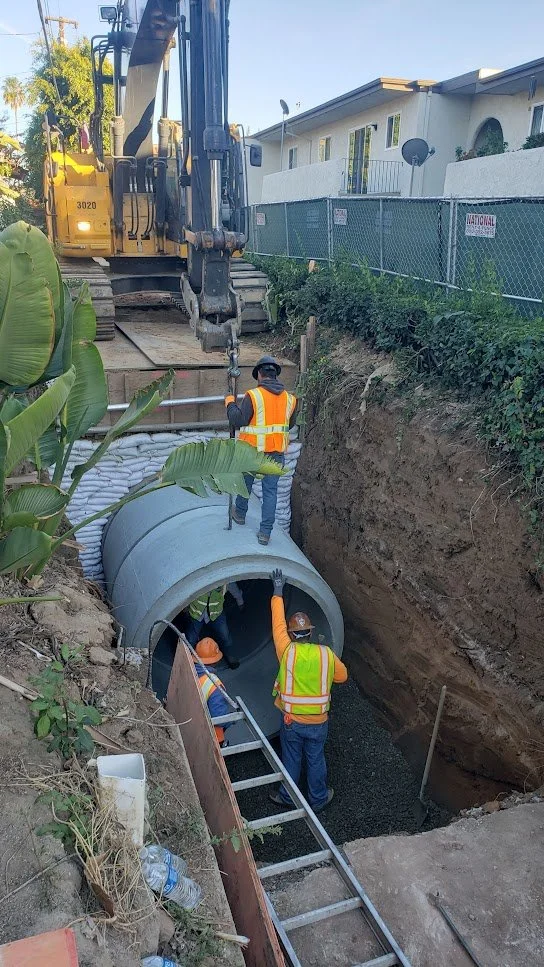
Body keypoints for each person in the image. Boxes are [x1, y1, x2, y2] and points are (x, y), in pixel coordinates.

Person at [268, 568, 348, 813]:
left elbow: (277, 624)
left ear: (291, 634)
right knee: (315, 759)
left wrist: (278, 591)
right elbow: (342, 677)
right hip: (318, 722)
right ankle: (318, 798)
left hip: (292, 721)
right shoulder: (326, 654)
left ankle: (288, 796)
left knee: (292, 758)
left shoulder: (287, 650)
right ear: (311, 632)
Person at [224, 355, 297, 546]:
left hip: (253, 452)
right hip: (276, 455)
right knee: (270, 492)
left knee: (245, 483)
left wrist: (229, 402)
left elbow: (238, 420)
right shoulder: (290, 399)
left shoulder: (254, 395)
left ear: (259, 375)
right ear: (275, 375)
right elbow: (289, 424)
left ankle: (240, 514)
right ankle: (265, 533)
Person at [185, 583, 243, 669]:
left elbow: (233, 588)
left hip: (216, 613)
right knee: (190, 639)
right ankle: (188, 662)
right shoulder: (196, 581)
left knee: (225, 635)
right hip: (197, 614)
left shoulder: (224, 581)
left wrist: (240, 601)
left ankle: (230, 655)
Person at [192, 638, 233, 746]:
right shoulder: (214, 685)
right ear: (216, 660)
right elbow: (219, 717)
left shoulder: (190, 671)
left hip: (191, 724)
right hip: (212, 737)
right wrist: (231, 719)